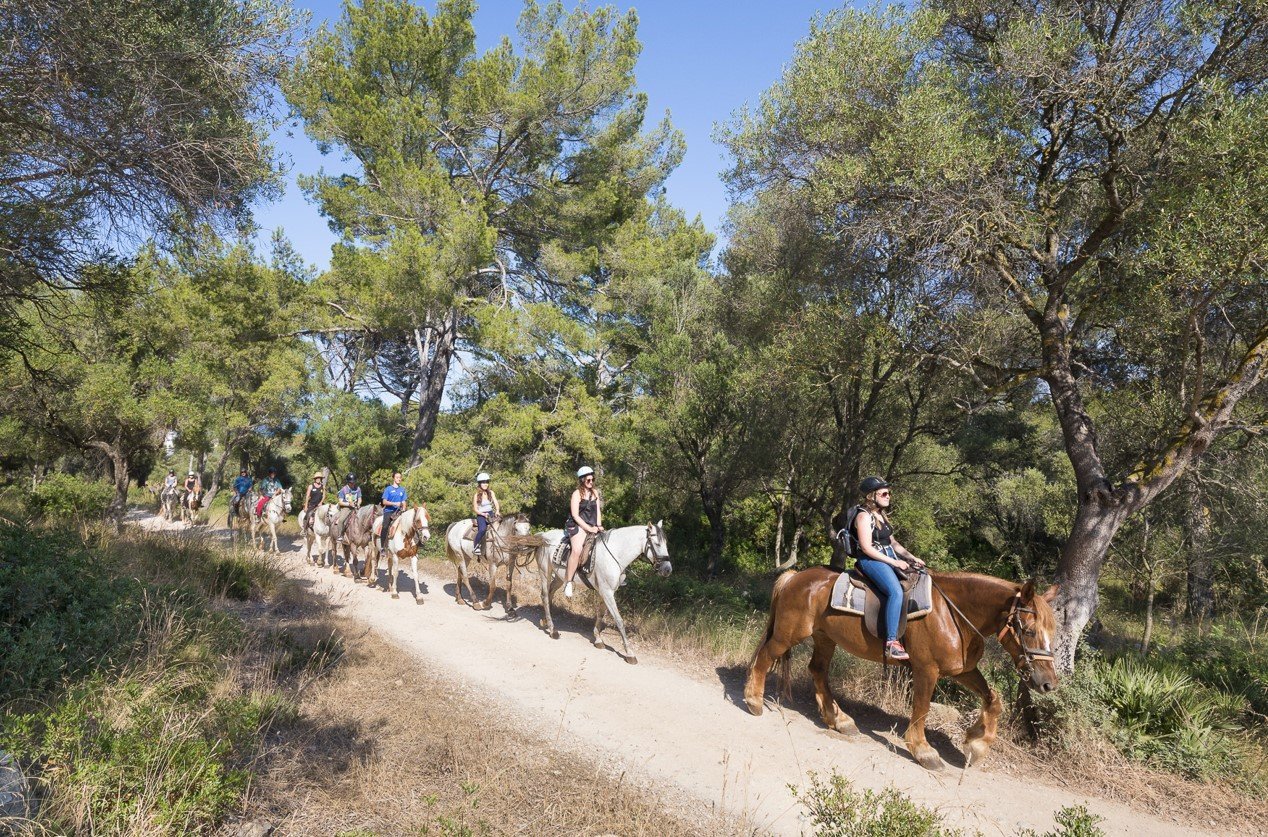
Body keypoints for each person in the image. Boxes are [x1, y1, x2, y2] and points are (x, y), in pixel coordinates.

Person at [849, 476, 926, 662]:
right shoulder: (863, 516)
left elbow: (893, 543)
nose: (888, 496)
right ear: (870, 496)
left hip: (887, 558)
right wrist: (894, 563)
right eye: (883, 493)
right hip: (870, 561)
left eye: (889, 493)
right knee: (895, 592)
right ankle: (892, 643)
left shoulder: (881, 515)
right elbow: (867, 548)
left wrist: (910, 557)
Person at [563, 466, 602, 598]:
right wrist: (588, 528)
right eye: (588, 479)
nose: (591, 481)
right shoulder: (576, 494)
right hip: (577, 525)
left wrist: (599, 525)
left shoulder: (595, 493)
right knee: (577, 550)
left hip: (592, 525)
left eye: (592, 479)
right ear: (582, 480)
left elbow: (598, 512)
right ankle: (568, 582)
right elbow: (575, 515)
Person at [471, 472, 500, 556]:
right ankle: (476, 546)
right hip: (481, 515)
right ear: (479, 483)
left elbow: (496, 503)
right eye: (483, 482)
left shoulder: (491, 492)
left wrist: (497, 511)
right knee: (482, 529)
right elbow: (475, 509)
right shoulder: (476, 495)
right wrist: (483, 514)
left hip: (491, 513)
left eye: (487, 482)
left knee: (501, 526)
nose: (485, 484)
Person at [380, 471, 407, 555]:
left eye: (400, 477)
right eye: (397, 477)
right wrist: (394, 503)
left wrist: (404, 508)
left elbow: (404, 501)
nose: (399, 479)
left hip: (399, 511)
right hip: (389, 511)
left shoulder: (402, 489)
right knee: (385, 526)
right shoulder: (388, 489)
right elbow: (384, 502)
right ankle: (383, 547)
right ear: (393, 478)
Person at [335, 474, 361, 543]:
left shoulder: (358, 488)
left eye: (354, 482)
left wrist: (358, 503)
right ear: (348, 482)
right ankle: (340, 535)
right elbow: (340, 502)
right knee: (341, 520)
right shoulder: (343, 489)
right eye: (351, 483)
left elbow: (360, 498)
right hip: (346, 507)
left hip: (355, 507)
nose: (352, 484)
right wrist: (349, 504)